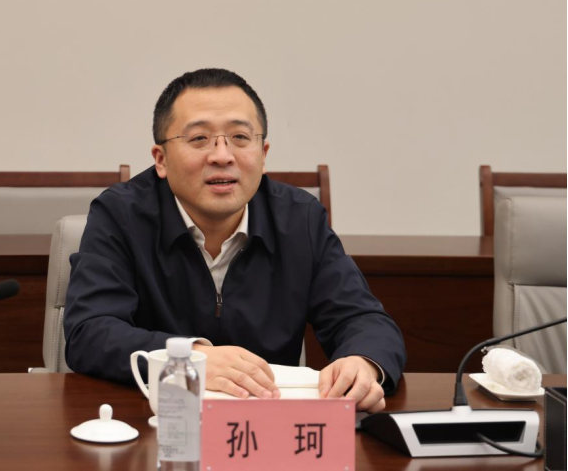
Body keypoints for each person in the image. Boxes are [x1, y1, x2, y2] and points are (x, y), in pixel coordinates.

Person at [64, 68, 406, 412]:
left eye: (240, 137)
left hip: (269, 426)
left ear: (263, 153)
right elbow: (90, 332)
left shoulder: (299, 220)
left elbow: (363, 320)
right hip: (155, 422)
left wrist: (363, 363)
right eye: (199, 139)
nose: (222, 156)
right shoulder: (120, 215)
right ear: (161, 160)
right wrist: (189, 359)